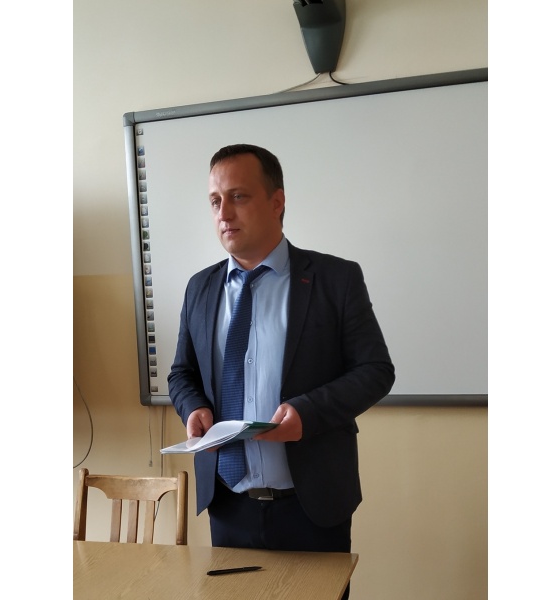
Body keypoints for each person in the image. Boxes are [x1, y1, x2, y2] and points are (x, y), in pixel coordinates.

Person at [168, 144, 395, 599]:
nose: (223, 213)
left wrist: (307, 413)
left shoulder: (335, 279)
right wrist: (193, 407)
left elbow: (375, 370)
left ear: (277, 201)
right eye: (215, 201)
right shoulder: (200, 288)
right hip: (229, 504)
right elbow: (181, 374)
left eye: (238, 196)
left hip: (312, 507)